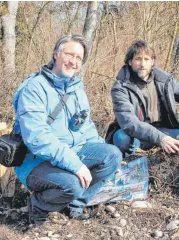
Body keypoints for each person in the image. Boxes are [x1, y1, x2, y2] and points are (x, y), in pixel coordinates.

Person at [12, 34, 122, 226]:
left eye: (79, 58)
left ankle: (74, 206)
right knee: (73, 184)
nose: (73, 62)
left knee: (113, 155)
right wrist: (77, 166)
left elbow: (86, 127)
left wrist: (108, 163)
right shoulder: (34, 88)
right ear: (56, 54)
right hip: (35, 160)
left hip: (70, 152)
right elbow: (37, 138)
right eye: (69, 54)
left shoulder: (77, 88)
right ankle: (38, 206)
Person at [107, 40, 179, 155]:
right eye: (138, 59)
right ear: (130, 62)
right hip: (135, 134)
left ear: (152, 61)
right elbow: (130, 123)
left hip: (162, 129)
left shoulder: (164, 81)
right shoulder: (121, 88)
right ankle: (131, 161)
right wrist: (160, 138)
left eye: (146, 59)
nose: (142, 64)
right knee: (121, 139)